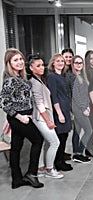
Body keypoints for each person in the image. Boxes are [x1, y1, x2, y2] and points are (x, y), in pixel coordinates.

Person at [0, 48, 44, 189]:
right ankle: (31, 173)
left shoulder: (20, 78)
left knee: (16, 148)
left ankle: (17, 179)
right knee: (38, 139)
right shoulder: (10, 81)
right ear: (9, 63)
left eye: (20, 59)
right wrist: (20, 117)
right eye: (15, 60)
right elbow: (3, 102)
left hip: (24, 116)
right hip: (19, 118)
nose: (19, 62)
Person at [28, 55, 64, 179]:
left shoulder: (39, 80)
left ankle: (41, 168)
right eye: (38, 66)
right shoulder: (35, 83)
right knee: (55, 142)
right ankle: (49, 169)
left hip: (43, 117)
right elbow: (39, 104)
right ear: (31, 68)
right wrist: (48, 121)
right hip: (40, 118)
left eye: (42, 65)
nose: (42, 67)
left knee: (45, 142)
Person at [47, 54, 73, 171]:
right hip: (59, 110)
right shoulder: (52, 77)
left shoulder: (62, 76)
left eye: (62, 61)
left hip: (65, 109)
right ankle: (58, 162)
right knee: (60, 137)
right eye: (58, 61)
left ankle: (61, 159)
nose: (60, 63)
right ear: (53, 63)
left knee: (65, 136)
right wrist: (59, 113)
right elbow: (54, 96)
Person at [70, 55, 92, 163]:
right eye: (76, 63)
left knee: (77, 131)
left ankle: (76, 154)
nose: (79, 65)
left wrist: (88, 106)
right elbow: (76, 96)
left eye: (80, 63)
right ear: (72, 64)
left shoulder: (82, 76)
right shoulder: (74, 77)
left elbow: (85, 94)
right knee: (89, 130)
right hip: (78, 108)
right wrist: (83, 108)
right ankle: (79, 153)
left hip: (83, 107)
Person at [61, 48, 74, 161]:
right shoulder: (59, 72)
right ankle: (59, 156)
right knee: (62, 132)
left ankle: (62, 153)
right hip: (62, 105)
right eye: (66, 57)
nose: (68, 59)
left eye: (70, 57)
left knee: (66, 131)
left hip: (70, 103)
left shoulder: (71, 71)